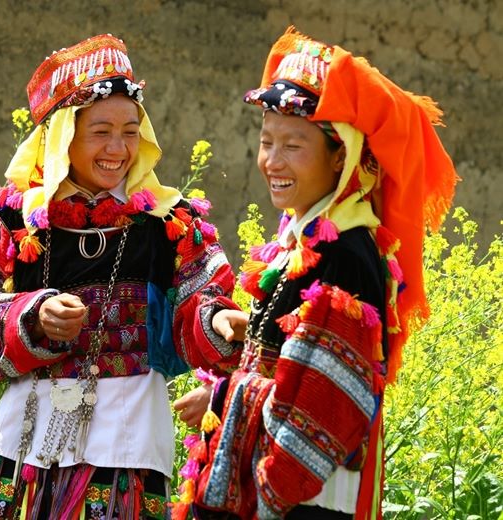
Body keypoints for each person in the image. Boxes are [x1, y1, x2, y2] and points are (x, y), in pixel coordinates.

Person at [0, 34, 240, 519]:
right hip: (26, 446)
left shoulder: (169, 223)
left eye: (130, 131)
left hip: (127, 444)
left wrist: (219, 323)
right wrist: (33, 316)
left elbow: (203, 297)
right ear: (64, 135)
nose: (118, 148)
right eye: (100, 131)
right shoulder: (18, 221)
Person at [172, 27, 457, 519]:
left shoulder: (346, 254)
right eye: (266, 142)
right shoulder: (305, 244)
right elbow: (290, 366)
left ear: (340, 157)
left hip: (302, 502)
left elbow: (316, 414)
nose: (272, 162)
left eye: (294, 146)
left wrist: (225, 394)